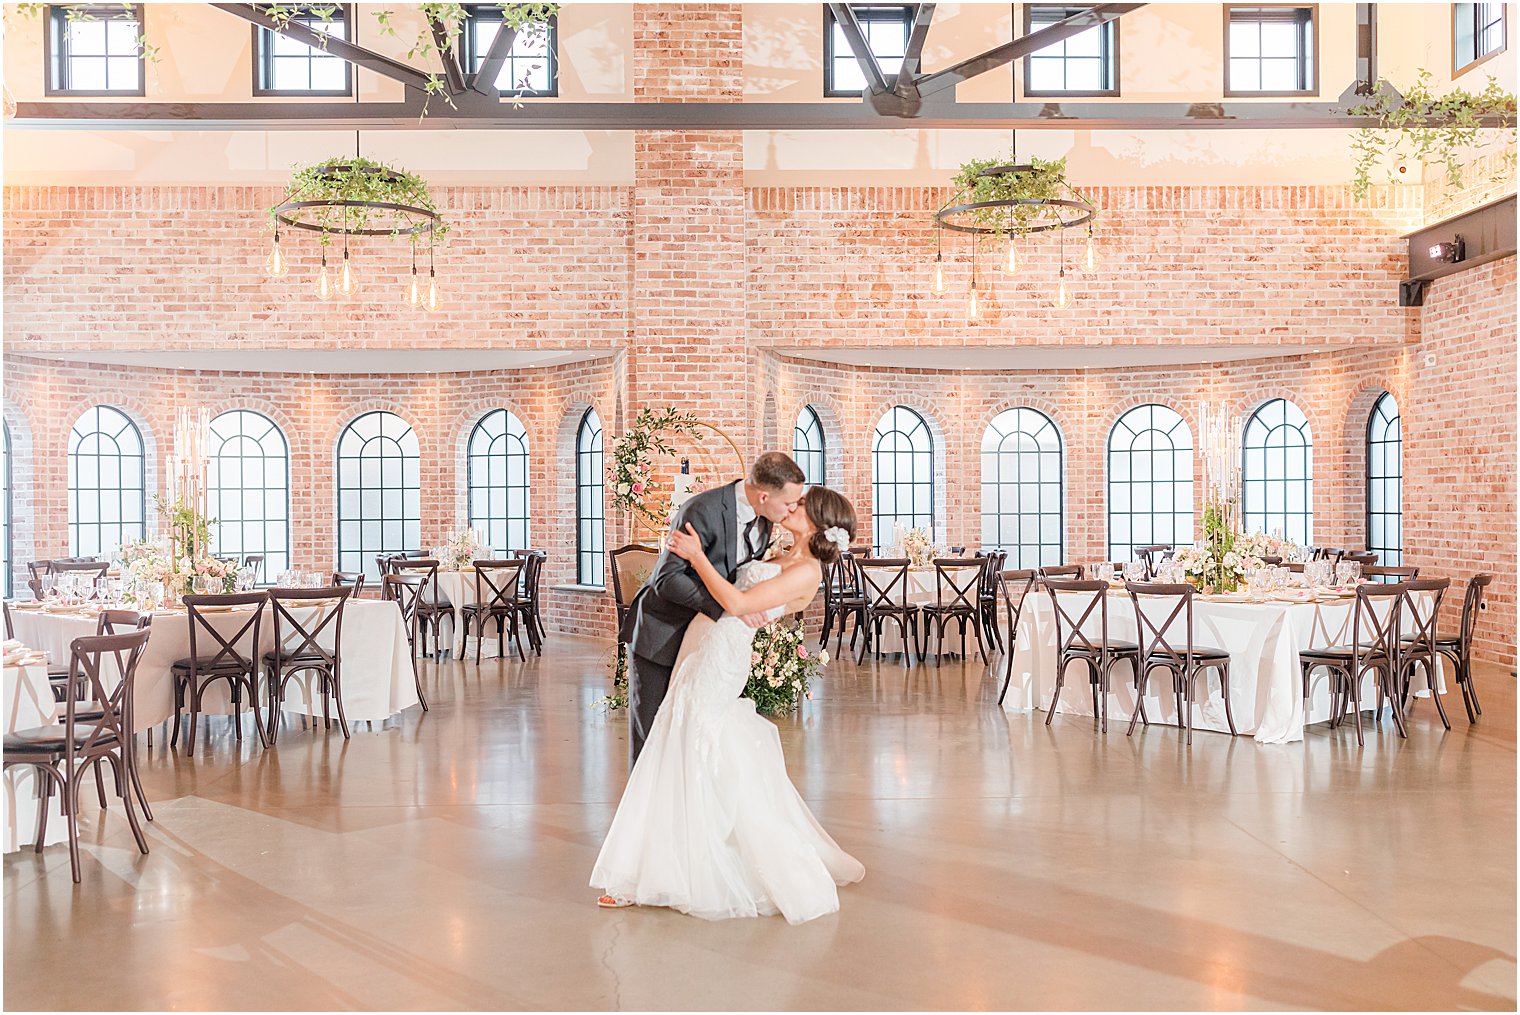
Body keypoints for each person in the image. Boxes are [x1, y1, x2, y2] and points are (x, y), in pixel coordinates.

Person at [591, 485, 866, 924]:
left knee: (691, 739)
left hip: (721, 657)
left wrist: (696, 555)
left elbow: (737, 602)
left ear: (816, 521)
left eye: (800, 505)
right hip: (700, 643)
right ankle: (663, 859)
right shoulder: (778, 549)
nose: (790, 507)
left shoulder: (807, 572)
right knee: (672, 738)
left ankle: (667, 870)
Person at [618, 452, 806, 769]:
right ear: (764, 495)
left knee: (690, 736)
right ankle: (650, 816)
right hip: (661, 634)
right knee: (653, 738)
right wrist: (728, 608)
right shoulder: (701, 509)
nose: (792, 509)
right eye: (789, 503)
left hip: (704, 643)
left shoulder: (766, 520)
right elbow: (667, 581)